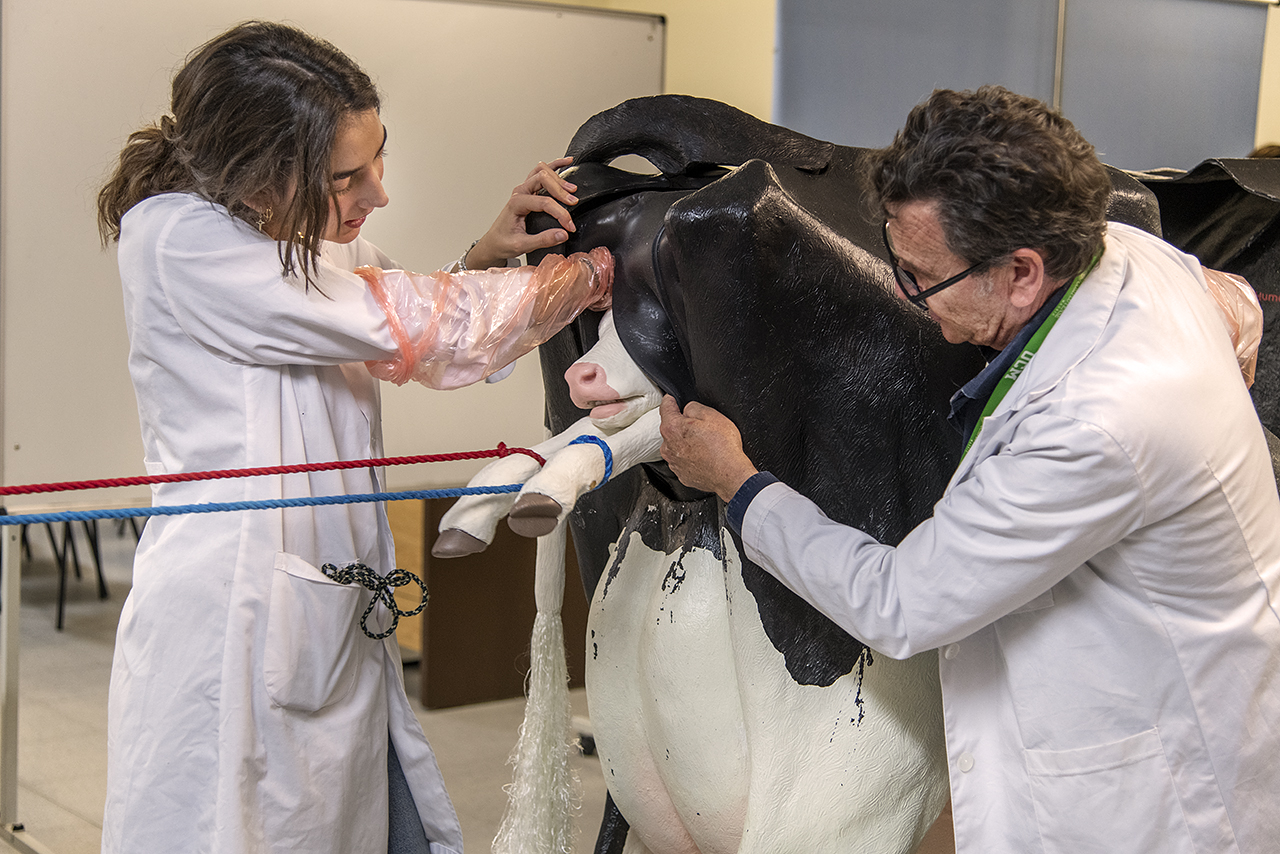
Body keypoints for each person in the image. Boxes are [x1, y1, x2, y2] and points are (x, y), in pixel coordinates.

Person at [658, 85, 1280, 853]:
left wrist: (739, 484)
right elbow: (1228, 296)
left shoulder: (1096, 422)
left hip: (1150, 802)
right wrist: (1242, 316)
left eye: (924, 275)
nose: (902, 291)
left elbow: (902, 604)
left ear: (1022, 273)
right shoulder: (1134, 255)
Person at [95, 21, 611, 854]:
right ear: (259, 171)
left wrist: (486, 256)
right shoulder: (182, 239)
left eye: (380, 157)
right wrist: (591, 274)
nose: (376, 193)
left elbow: (387, 319)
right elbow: (423, 329)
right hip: (239, 621)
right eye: (348, 176)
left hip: (322, 603)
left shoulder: (303, 229)